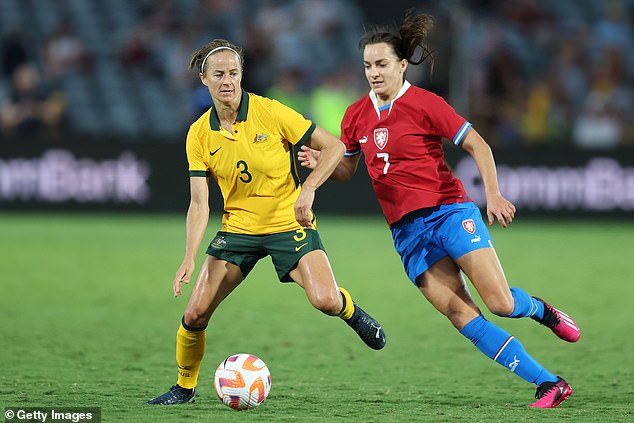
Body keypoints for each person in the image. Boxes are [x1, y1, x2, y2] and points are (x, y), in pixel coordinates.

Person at [298, 10, 580, 409]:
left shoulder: (426, 104)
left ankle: (541, 311)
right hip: (406, 232)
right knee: (460, 314)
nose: (374, 73)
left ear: (400, 63)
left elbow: (477, 145)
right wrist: (321, 164)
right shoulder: (355, 114)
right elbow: (347, 169)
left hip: (448, 211)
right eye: (367, 66)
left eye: (381, 64)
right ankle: (549, 383)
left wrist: (493, 194)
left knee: (500, 303)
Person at [147, 39, 386, 405]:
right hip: (237, 230)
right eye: (219, 75)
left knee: (324, 300)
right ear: (203, 79)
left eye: (233, 73)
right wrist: (189, 257)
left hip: (288, 223)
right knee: (194, 313)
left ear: (242, 74)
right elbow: (199, 204)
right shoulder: (198, 133)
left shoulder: (271, 112)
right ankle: (184, 388)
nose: (227, 81)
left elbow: (335, 147)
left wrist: (308, 189)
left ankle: (351, 310)